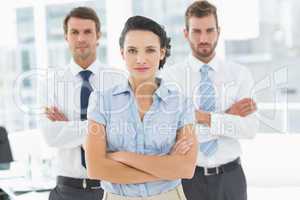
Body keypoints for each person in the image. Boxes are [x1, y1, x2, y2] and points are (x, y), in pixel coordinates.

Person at [85, 16, 198, 200]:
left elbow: (186, 168)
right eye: (132, 50)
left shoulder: (180, 103)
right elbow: (95, 168)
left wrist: (123, 156)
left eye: (150, 50)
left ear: (162, 53)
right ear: (122, 53)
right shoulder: (101, 101)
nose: (140, 59)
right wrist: (167, 167)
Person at [160, 1, 259, 200]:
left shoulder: (239, 75)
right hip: (188, 178)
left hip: (231, 178)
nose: (203, 38)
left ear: (218, 32)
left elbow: (249, 129)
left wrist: (200, 117)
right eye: (196, 31)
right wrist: (227, 116)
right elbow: (171, 133)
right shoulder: (170, 78)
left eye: (209, 30)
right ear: (186, 33)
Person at [39, 7, 124, 200]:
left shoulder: (118, 80)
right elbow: (50, 136)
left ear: (98, 35)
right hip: (67, 189)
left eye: (87, 32)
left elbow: (122, 135)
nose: (81, 39)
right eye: (74, 32)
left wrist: (67, 126)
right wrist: (101, 125)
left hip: (111, 188)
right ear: (66, 37)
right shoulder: (50, 82)